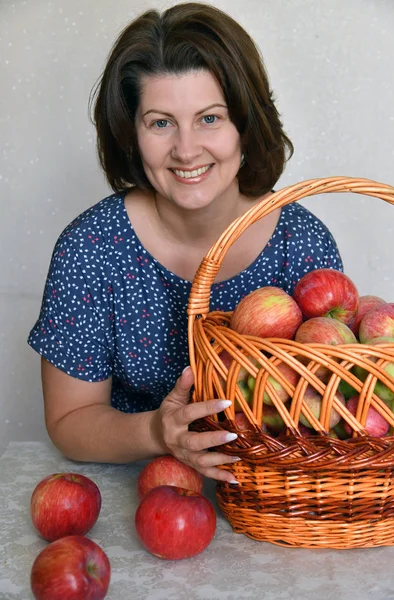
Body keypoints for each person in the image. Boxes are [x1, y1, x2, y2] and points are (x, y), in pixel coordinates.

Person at [28, 2, 343, 484]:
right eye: (160, 123)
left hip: (276, 496)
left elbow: (336, 409)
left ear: (245, 125)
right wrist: (158, 431)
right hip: (137, 491)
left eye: (210, 118)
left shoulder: (302, 244)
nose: (187, 149)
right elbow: (69, 424)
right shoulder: (89, 248)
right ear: (131, 135)